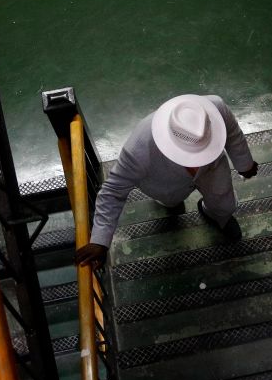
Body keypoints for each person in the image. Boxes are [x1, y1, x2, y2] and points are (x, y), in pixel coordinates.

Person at [75, 94, 258, 269]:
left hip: (214, 168)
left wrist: (245, 163)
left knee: (225, 203)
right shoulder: (138, 149)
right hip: (164, 184)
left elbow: (233, 134)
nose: (197, 164)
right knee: (171, 202)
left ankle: (217, 214)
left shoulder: (215, 107)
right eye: (191, 157)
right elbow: (113, 191)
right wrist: (100, 239)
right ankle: (172, 203)